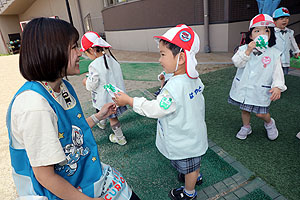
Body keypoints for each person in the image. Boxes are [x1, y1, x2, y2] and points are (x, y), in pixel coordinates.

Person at [6, 17, 140, 200]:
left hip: (81, 176)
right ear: (52, 51)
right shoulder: (34, 106)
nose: (79, 53)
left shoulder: (61, 87)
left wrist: (99, 116)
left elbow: (69, 133)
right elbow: (44, 175)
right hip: (57, 191)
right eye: (74, 47)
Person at [113, 24, 208, 200]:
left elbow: (155, 109)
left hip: (183, 139)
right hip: (194, 134)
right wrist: (167, 79)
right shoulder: (193, 77)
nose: (159, 59)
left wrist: (130, 101)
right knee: (194, 163)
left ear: (180, 58)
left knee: (190, 165)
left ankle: (189, 192)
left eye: (163, 54)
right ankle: (193, 177)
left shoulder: (173, 88)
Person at [228, 14, 287, 141]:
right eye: (257, 30)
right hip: (245, 86)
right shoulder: (243, 49)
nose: (262, 33)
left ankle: (269, 123)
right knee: (245, 110)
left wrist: (277, 86)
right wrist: (248, 51)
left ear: (271, 34)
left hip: (261, 89)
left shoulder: (274, 53)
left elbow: (277, 72)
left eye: (266, 30)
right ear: (250, 35)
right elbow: (237, 63)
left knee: (261, 113)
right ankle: (246, 126)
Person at [81, 31, 127, 146]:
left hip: (106, 99)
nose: (87, 56)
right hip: (117, 96)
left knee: (112, 117)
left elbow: (92, 85)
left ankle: (120, 138)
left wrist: (86, 82)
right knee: (103, 111)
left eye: (86, 53)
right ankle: (102, 123)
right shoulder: (111, 59)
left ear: (91, 50)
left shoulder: (94, 65)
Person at [272, 7, 300, 75]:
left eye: (287, 18)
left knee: (284, 76)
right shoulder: (271, 33)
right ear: (274, 21)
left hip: (286, 60)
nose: (285, 21)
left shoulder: (290, 32)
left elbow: (293, 43)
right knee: (274, 76)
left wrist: (296, 51)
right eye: (281, 19)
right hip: (274, 60)